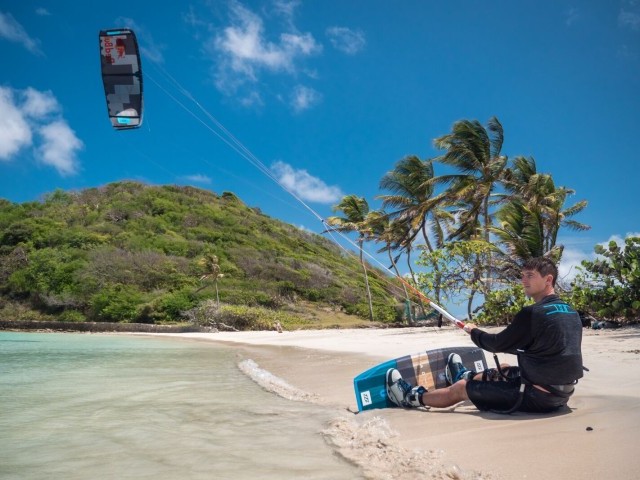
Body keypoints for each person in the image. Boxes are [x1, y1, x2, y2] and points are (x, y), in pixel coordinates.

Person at [387, 257, 584, 413]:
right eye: (522, 275)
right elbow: (547, 349)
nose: (523, 280)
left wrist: (473, 332)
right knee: (504, 368)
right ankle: (470, 376)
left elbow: (496, 344)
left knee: (461, 388)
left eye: (530, 276)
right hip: (561, 394)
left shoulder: (533, 313)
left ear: (548, 279)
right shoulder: (571, 312)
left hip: (537, 397)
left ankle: (410, 397)